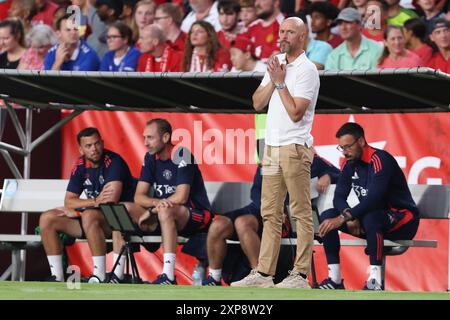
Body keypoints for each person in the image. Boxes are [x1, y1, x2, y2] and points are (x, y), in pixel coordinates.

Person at [231, 17, 320, 289]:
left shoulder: (307, 70)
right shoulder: (275, 64)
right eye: (281, 31)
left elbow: (296, 113)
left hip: (294, 146)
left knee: (300, 213)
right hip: (270, 148)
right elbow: (257, 103)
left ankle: (300, 275)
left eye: (290, 32)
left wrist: (280, 82)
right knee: (269, 212)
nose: (284, 36)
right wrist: (273, 78)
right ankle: (264, 274)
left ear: (302, 37)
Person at [203, 153, 340, 286]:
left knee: (242, 223)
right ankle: (214, 277)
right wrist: (270, 209)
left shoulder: (311, 159)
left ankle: (261, 276)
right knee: (218, 224)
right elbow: (256, 192)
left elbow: (339, 174)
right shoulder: (270, 158)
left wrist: (328, 175)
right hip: (261, 208)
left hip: (286, 217)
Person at [317, 122, 420, 290]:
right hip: (371, 218)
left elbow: (374, 198)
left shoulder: (380, 159)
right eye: (341, 148)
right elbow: (339, 196)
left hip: (403, 220)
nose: (345, 152)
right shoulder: (348, 163)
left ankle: (375, 281)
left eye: (348, 147)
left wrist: (346, 217)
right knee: (328, 216)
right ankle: (334, 279)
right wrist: (347, 214)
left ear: (361, 141)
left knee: (372, 217)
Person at [114, 118, 213, 285]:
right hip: (163, 214)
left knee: (166, 210)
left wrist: (152, 210)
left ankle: (168, 276)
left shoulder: (182, 154)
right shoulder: (151, 158)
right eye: (144, 138)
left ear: (166, 138)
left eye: (150, 138)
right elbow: (139, 196)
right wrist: (154, 205)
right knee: (121, 209)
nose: (145, 143)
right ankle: (117, 275)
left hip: (195, 215)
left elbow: (181, 197)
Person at [38, 127, 136, 282]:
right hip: (92, 220)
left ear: (102, 143)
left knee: (90, 215)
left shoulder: (114, 162)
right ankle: (57, 277)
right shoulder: (80, 165)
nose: (94, 149)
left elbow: (110, 201)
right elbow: (69, 201)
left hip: (120, 222)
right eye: (88, 146)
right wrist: (93, 202)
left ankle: (99, 275)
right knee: (47, 218)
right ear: (81, 149)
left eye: (97, 144)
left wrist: (79, 211)